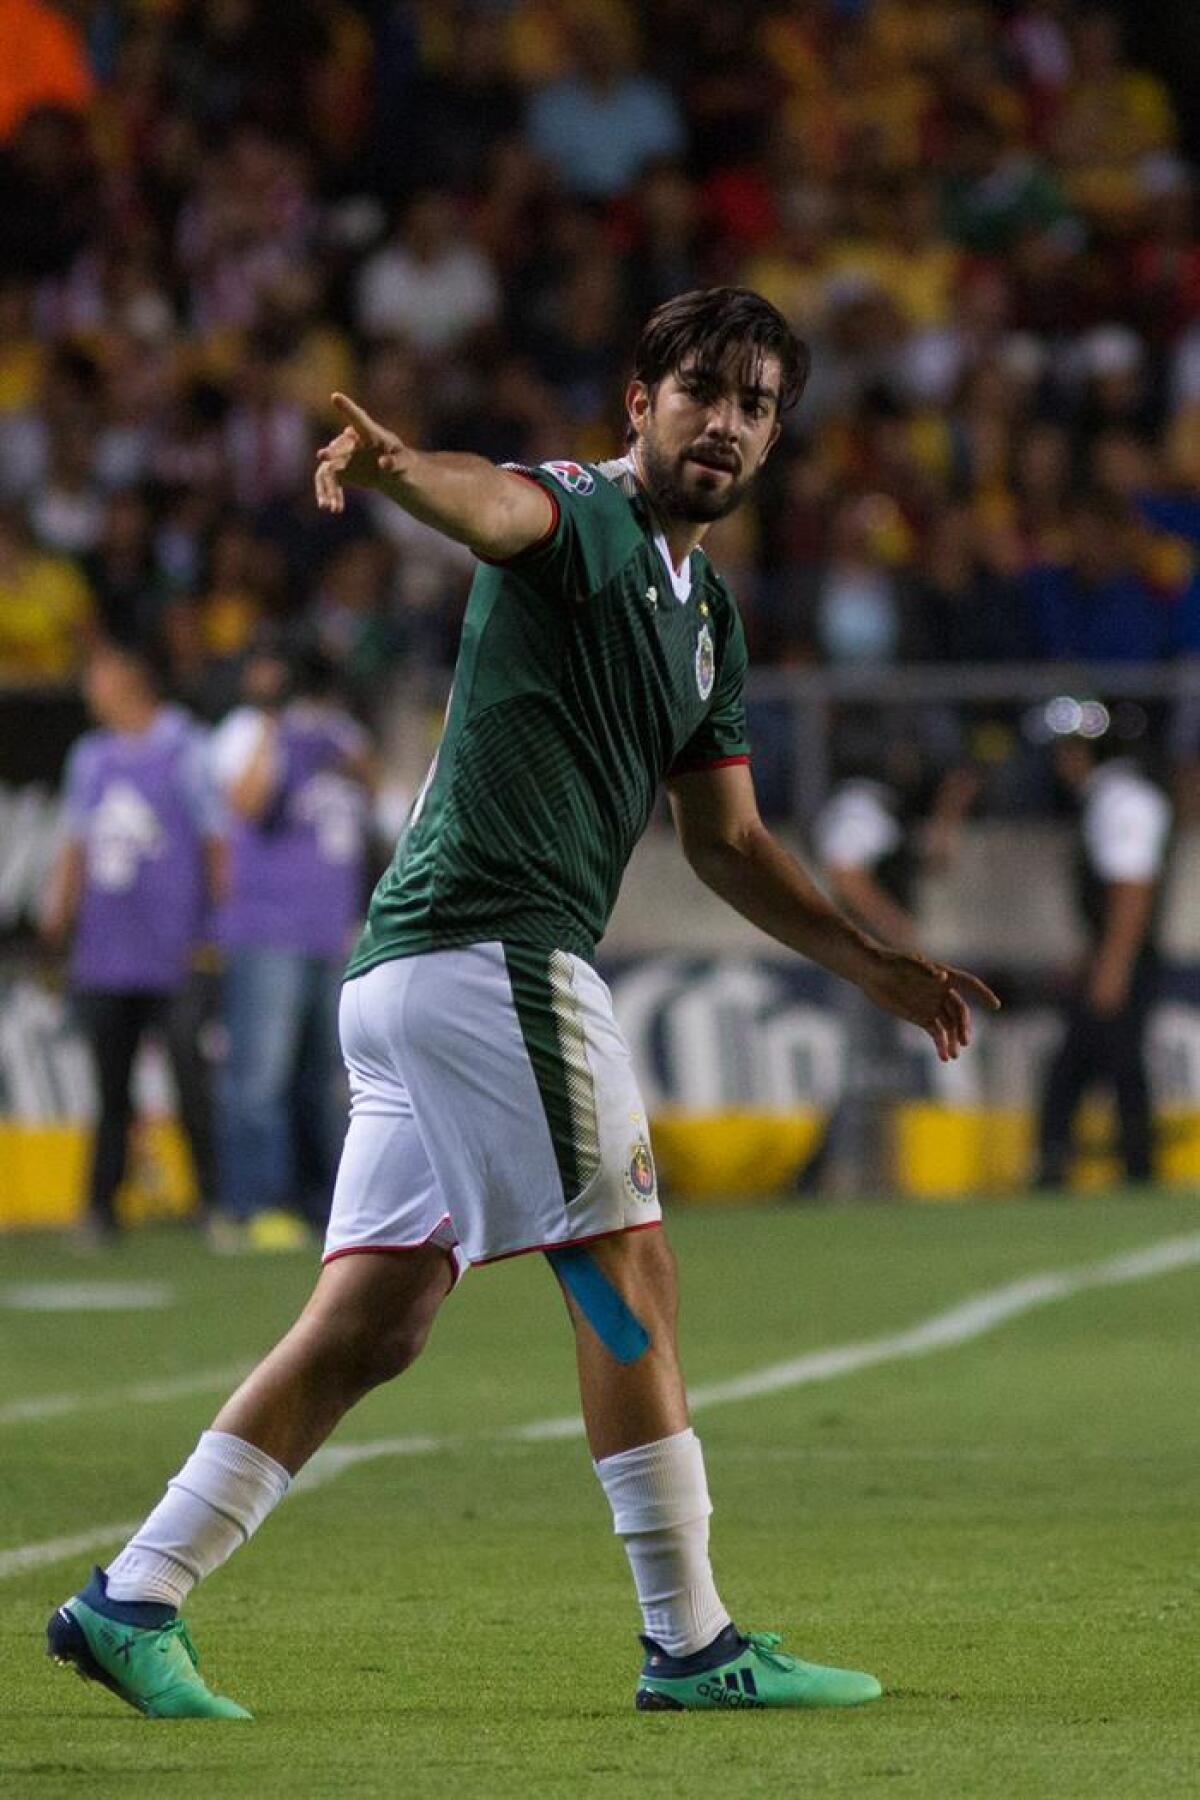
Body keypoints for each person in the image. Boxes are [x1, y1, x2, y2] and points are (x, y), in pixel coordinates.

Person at [48, 288, 999, 1718]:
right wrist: (397, 473)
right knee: (628, 1278)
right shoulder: (586, 514)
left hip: (421, 977)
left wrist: (877, 966)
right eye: (702, 393)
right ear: (641, 402)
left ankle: (132, 1597)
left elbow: (727, 842)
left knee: (372, 1324)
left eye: (756, 405)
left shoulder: (709, 622)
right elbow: (496, 509)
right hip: (497, 954)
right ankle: (691, 1643)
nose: (726, 424)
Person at [41, 642, 220, 1245]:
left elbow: (215, 840)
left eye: (98, 674)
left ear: (129, 679)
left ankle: (215, 1201)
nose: (89, 688)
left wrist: (210, 926)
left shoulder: (186, 748)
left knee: (188, 1075)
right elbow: (76, 843)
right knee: (110, 1086)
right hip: (108, 949)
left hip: (174, 947)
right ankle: (100, 1208)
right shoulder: (89, 757)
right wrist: (60, 914)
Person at [209, 642, 373, 1248]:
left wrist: (335, 744)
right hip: (267, 931)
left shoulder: (338, 734)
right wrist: (280, 735)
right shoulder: (244, 731)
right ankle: (254, 1202)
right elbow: (245, 803)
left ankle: (316, 1201)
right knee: (260, 1075)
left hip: (328, 931)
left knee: (319, 1076)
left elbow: (374, 795)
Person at [1035, 721, 1171, 1190]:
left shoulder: (1121, 799)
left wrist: (1112, 966)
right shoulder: (1110, 798)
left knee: (1111, 1065)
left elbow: (1131, 890)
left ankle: (1131, 1167)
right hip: (1114, 954)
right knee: (1089, 1063)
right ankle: (1074, 1164)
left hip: (1123, 957)